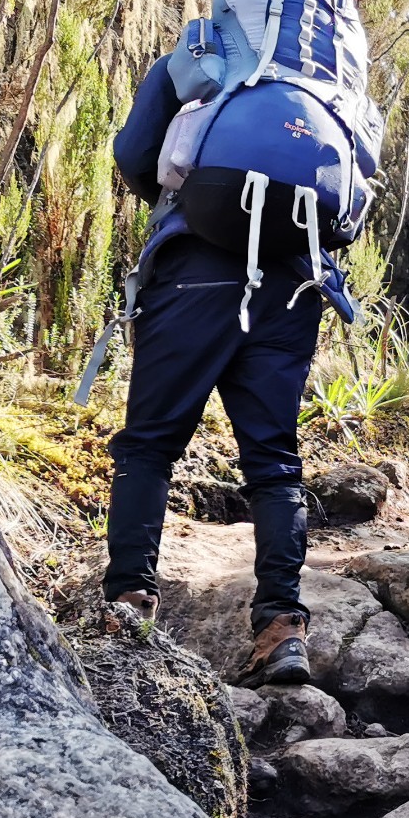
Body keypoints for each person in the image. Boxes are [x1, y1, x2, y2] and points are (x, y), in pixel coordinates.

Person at [101, 55, 323, 688]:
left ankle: (128, 611)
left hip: (194, 270)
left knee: (149, 444)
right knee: (274, 459)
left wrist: (201, 204)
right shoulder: (327, 81)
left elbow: (137, 154)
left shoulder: (195, 58)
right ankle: (282, 631)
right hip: (291, 284)